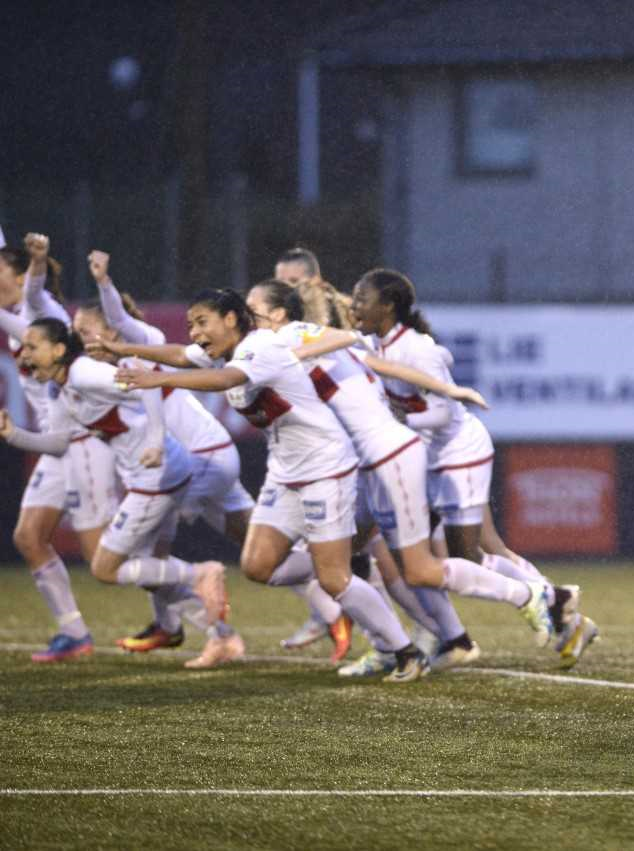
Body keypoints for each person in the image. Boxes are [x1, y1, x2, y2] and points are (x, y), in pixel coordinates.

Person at [113, 288, 429, 683]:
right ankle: (347, 561)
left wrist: (155, 379)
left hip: (325, 467)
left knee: (333, 580)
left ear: (231, 319)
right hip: (284, 473)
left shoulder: (261, 346)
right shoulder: (224, 350)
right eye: (191, 324)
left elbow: (225, 379)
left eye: (202, 322)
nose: (194, 333)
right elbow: (179, 354)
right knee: (259, 566)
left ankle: (404, 652)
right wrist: (121, 348)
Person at [239, 279, 555, 673]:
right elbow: (380, 363)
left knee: (416, 568)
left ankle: (527, 596)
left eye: (252, 309)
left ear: (279, 315)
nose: (246, 317)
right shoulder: (291, 350)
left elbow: (347, 341)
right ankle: (409, 644)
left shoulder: (291, 340)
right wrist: (449, 389)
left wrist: (448, 392)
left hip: (389, 455)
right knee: (361, 559)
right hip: (367, 463)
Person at [346, 268, 593, 664]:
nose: (355, 306)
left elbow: (443, 413)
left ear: (388, 306)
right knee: (414, 555)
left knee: (467, 557)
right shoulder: (375, 344)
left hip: (458, 454)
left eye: (362, 298)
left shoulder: (416, 350)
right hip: (421, 457)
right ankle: (441, 636)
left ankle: (553, 598)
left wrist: (397, 421)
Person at [0, 319, 228, 659]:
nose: (25, 355)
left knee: (105, 567)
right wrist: (13, 435)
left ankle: (200, 573)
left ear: (59, 350)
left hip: (157, 477)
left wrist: (155, 441)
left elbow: (146, 383)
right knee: (148, 570)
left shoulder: (84, 373)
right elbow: (59, 444)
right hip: (154, 476)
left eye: (33, 347)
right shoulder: (58, 389)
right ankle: (222, 637)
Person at [76, 250, 261, 666]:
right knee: (258, 546)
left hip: (200, 458)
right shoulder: (110, 367)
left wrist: (104, 283)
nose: (81, 340)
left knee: (140, 557)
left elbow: (121, 322)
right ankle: (195, 628)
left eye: (85, 331)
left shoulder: (144, 341)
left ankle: (189, 616)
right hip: (199, 456)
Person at [0, 235, 118, 662]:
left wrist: (38, 261)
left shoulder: (40, 307)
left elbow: (33, 291)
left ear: (20, 276)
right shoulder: (21, 315)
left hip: (84, 441)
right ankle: (74, 632)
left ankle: (198, 595)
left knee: (104, 560)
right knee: (29, 537)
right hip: (58, 443)